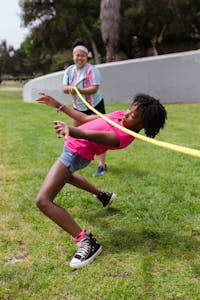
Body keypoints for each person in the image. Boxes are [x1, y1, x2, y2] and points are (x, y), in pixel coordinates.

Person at [35, 92, 167, 269]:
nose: (126, 114)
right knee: (66, 178)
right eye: (130, 109)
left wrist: (70, 130)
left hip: (76, 154)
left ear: (142, 124)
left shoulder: (123, 137)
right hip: (73, 148)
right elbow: (86, 118)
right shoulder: (121, 115)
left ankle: (87, 242)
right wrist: (58, 105)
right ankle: (102, 195)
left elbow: (88, 134)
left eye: (133, 115)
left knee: (43, 201)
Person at [62, 38, 107, 177]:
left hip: (94, 106)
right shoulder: (69, 71)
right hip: (78, 107)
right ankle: (69, 161)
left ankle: (102, 165)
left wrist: (79, 91)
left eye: (82, 55)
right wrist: (69, 88)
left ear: (86, 57)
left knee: (99, 135)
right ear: (73, 56)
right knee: (74, 133)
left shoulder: (92, 70)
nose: (79, 58)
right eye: (77, 55)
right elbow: (64, 88)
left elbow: (94, 88)